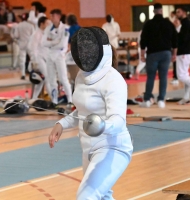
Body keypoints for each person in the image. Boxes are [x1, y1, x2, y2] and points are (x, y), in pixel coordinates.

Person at [48, 26, 133, 199]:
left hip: (113, 147)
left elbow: (118, 121)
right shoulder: (81, 76)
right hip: (88, 147)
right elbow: (82, 111)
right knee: (102, 196)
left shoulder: (114, 80)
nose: (83, 53)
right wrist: (61, 124)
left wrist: (102, 126)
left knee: (86, 196)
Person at [139, 3, 177, 108]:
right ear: (162, 10)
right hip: (166, 53)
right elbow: (175, 40)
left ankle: (147, 100)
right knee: (163, 77)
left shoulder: (148, 24)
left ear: (153, 11)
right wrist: (174, 54)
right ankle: (161, 100)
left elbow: (143, 41)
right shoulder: (168, 23)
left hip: (152, 54)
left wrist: (142, 55)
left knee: (150, 77)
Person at [42, 9, 72, 108]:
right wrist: (55, 42)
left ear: (58, 17)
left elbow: (63, 44)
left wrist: (51, 42)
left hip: (60, 56)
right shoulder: (48, 28)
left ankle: (70, 100)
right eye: (50, 16)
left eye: (53, 16)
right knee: (51, 79)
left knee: (63, 78)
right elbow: (43, 43)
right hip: (50, 56)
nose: (51, 18)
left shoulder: (65, 29)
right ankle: (54, 101)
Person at [28, 16, 53, 98]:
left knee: (41, 81)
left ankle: (34, 99)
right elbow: (33, 49)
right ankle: (54, 100)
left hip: (45, 59)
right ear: (42, 24)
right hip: (38, 60)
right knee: (47, 79)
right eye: (47, 23)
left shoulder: (46, 34)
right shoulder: (36, 34)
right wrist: (34, 62)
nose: (49, 25)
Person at [13, 13, 35, 79]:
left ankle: (23, 74)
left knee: (22, 59)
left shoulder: (18, 25)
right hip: (30, 44)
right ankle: (31, 71)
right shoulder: (31, 26)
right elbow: (33, 35)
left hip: (22, 44)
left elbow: (16, 35)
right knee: (32, 58)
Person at [66, 14, 81, 90]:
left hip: (72, 55)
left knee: (72, 76)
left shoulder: (69, 30)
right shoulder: (80, 28)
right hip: (81, 53)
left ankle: (73, 90)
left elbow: (69, 44)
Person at [171, 18, 181, 85]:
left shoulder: (182, 29)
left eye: (177, 21)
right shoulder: (173, 29)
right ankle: (175, 77)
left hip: (181, 49)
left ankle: (179, 77)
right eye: (174, 21)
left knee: (180, 64)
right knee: (175, 62)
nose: (175, 22)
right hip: (174, 48)